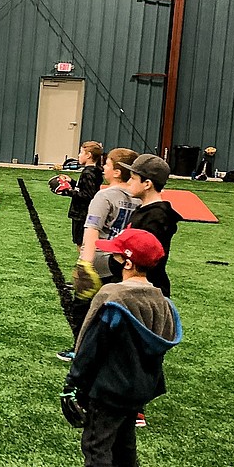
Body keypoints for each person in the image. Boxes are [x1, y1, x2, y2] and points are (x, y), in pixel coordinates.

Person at [61, 228, 181, 467]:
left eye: (116, 254)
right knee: (125, 441)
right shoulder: (161, 300)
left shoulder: (112, 297)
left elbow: (91, 346)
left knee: (96, 444)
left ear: (126, 263)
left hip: (110, 386)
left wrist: (73, 384)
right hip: (141, 385)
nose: (111, 258)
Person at [59, 147, 138, 362]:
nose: (104, 167)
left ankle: (81, 349)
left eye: (108, 165)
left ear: (117, 172)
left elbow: (92, 228)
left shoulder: (104, 196)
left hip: (101, 258)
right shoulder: (138, 199)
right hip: (123, 262)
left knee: (83, 308)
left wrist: (85, 261)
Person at [119, 154, 180, 298]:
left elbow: (143, 258)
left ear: (147, 184)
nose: (128, 182)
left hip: (146, 292)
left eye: (133, 178)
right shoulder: (144, 211)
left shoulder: (155, 218)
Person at [67, 141, 104, 248]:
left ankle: (84, 262)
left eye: (81, 152)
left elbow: (88, 195)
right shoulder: (94, 171)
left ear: (88, 155)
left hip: (81, 213)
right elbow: (84, 187)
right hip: (85, 212)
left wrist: (69, 192)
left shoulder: (88, 173)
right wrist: (72, 182)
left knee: (81, 242)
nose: (79, 155)